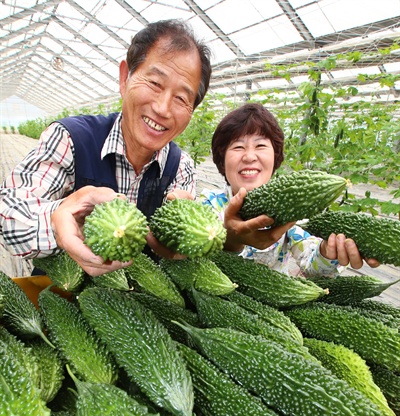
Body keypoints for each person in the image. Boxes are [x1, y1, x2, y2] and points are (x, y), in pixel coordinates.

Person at [0, 19, 211, 276]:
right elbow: (7, 209)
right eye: (155, 83)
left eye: (181, 98)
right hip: (59, 299)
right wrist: (57, 219)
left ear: (191, 112)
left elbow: (182, 250)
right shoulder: (70, 139)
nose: (163, 108)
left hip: (133, 309)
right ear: (125, 78)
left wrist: (187, 240)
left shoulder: (181, 168)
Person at [202, 103, 380, 277]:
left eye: (260, 146)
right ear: (222, 161)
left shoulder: (291, 209)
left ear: (275, 157)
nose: (249, 156)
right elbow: (193, 262)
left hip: (273, 304)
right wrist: (229, 242)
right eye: (238, 147)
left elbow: (312, 264)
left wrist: (327, 251)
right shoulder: (208, 206)